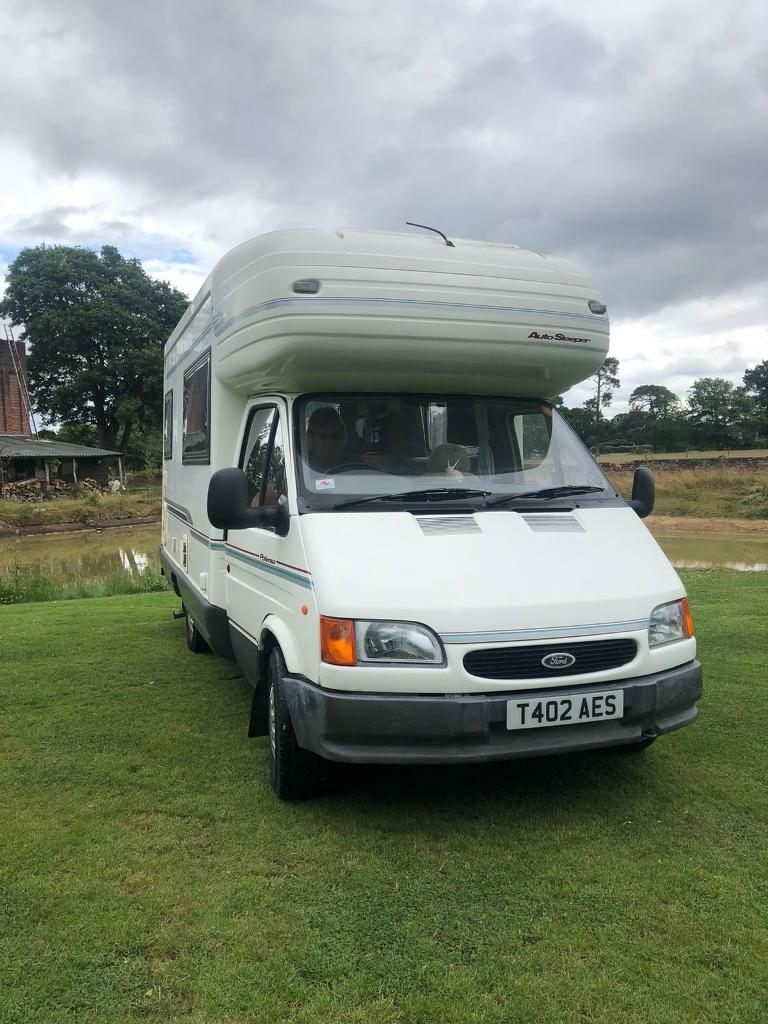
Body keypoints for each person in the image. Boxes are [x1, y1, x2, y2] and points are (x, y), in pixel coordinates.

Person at [305, 407, 351, 471]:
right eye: (323, 437)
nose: (329, 442)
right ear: (312, 438)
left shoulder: (354, 462)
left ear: (342, 437)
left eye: (334, 436)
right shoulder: (304, 465)